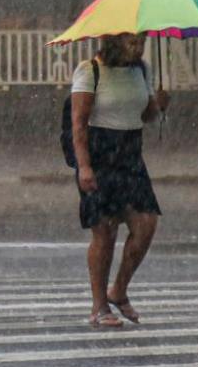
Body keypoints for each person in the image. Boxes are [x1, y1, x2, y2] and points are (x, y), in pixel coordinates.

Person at [70, 33, 169, 329]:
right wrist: (84, 167)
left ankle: (119, 289)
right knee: (105, 232)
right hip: (99, 154)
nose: (138, 48)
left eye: (141, 42)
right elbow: (78, 123)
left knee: (146, 224)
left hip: (130, 154)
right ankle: (99, 305)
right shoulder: (90, 70)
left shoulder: (142, 70)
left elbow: (148, 115)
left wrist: (160, 105)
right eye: (130, 42)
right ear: (113, 41)